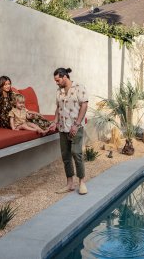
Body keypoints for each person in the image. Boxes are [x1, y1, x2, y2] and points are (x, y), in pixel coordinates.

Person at [49, 67, 88, 195]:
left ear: (64, 77)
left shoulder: (79, 87)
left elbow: (84, 105)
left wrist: (76, 125)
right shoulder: (59, 91)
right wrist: (55, 122)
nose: (57, 82)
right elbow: (58, 108)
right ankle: (70, 184)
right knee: (65, 155)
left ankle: (82, 182)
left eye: (58, 80)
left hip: (75, 127)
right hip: (62, 128)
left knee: (76, 153)